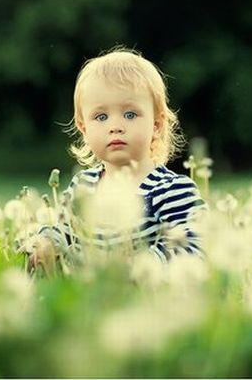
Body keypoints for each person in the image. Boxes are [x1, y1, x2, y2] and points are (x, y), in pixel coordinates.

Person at [38, 46, 207, 266]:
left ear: (156, 125)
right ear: (84, 129)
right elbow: (64, 230)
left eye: (130, 114)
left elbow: (193, 246)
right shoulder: (83, 186)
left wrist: (141, 268)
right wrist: (46, 243)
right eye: (101, 117)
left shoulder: (171, 190)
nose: (115, 126)